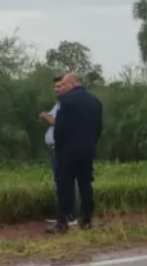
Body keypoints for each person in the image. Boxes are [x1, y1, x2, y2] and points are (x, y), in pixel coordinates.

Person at [48, 73, 103, 233]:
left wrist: (59, 147)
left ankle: (63, 222)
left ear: (72, 84)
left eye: (64, 84)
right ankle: (86, 219)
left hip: (68, 150)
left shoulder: (66, 101)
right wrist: (91, 143)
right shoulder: (95, 102)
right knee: (85, 184)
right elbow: (98, 128)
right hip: (88, 149)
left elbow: (60, 128)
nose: (62, 88)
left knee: (65, 184)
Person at [40, 77, 74, 226]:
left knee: (67, 183)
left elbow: (56, 122)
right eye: (55, 87)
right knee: (59, 183)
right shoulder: (59, 104)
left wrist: (43, 115)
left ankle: (70, 216)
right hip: (56, 149)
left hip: (64, 149)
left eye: (60, 86)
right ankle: (63, 215)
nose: (57, 89)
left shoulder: (68, 104)